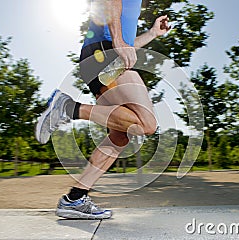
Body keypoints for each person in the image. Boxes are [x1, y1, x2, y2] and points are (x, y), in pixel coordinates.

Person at [35, 0, 170, 219]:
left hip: (99, 55)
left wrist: (153, 33)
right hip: (103, 52)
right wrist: (117, 41)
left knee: (121, 133)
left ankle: (75, 198)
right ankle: (68, 108)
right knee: (146, 123)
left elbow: (127, 44)